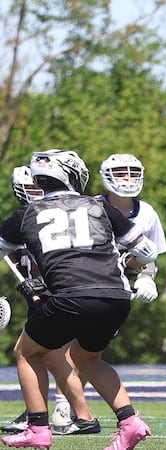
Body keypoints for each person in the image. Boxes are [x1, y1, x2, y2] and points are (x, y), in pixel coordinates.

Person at [0, 149, 155, 449]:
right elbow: (145, 251)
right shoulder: (100, 205)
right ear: (73, 174)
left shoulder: (27, 214)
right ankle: (130, 422)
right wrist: (133, 270)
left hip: (70, 298)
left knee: (27, 352)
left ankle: (37, 428)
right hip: (116, 298)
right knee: (87, 358)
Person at [47, 153, 166, 435]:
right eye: (121, 172)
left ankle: (70, 408)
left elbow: (148, 256)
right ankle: (63, 407)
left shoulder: (147, 213)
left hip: (116, 290)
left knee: (87, 353)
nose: (128, 178)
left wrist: (147, 277)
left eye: (132, 172)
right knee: (67, 348)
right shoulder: (89, 207)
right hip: (82, 281)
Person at [2, 166, 100, 436]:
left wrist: (46, 285)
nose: (38, 193)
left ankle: (74, 414)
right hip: (41, 299)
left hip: (60, 296)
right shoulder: (24, 219)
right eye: (32, 188)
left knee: (51, 356)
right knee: (44, 356)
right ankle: (42, 413)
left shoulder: (53, 217)